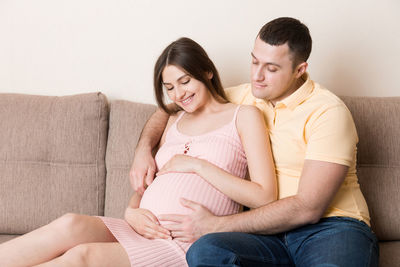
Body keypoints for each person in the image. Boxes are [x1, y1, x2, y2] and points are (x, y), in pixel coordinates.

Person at [0, 37, 277, 266]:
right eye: (169, 88)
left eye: (185, 81)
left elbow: (265, 196)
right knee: (69, 224)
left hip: (181, 243)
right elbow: (151, 183)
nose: (179, 94)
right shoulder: (174, 119)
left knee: (83, 257)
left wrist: (196, 165)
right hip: (138, 227)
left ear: (207, 72)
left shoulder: (244, 116)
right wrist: (131, 210)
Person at [130, 18, 379, 266]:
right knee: (205, 251)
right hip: (264, 235)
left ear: (299, 70)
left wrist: (217, 225)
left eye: (271, 68)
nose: (257, 76)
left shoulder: (328, 112)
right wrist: (143, 148)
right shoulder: (246, 95)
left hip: (329, 228)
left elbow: (308, 208)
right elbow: (173, 104)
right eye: (254, 61)